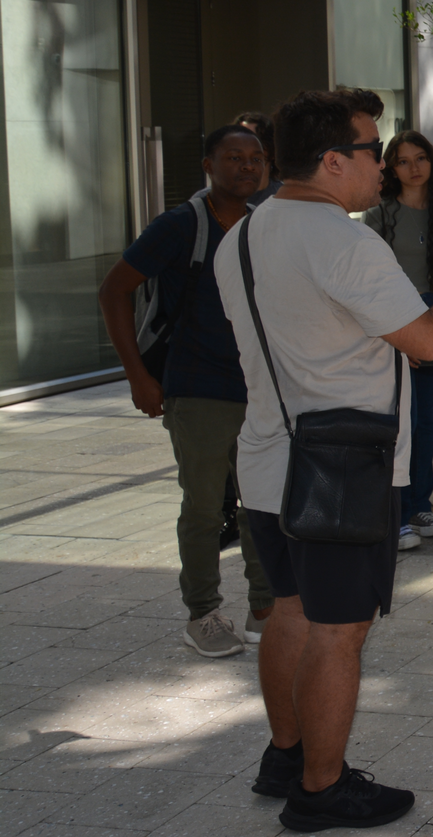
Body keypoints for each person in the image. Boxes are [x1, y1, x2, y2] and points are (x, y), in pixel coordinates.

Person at [216, 88, 433, 830]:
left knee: (288, 609)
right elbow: (428, 340)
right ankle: (321, 789)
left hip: (264, 462)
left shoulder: (242, 236)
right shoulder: (343, 241)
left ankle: (285, 756)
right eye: (372, 150)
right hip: (342, 468)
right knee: (338, 630)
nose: (382, 163)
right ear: (333, 161)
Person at [98, 124, 275, 659]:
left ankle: (265, 607)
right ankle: (203, 613)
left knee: (262, 503)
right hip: (197, 388)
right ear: (208, 165)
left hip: (258, 388)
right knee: (203, 507)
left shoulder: (263, 223)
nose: (246, 167)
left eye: (255, 158)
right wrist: (138, 376)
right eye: (233, 157)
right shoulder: (179, 225)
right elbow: (114, 290)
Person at [362, 132, 433, 552]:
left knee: (425, 421)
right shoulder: (377, 217)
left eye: (420, 158)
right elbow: (370, 284)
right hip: (390, 319)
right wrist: (397, 336)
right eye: (403, 161)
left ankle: (420, 507)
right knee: (396, 423)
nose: (413, 167)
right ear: (390, 168)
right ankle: (396, 512)